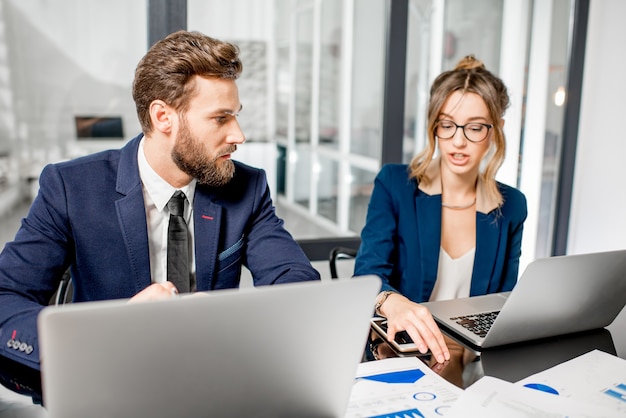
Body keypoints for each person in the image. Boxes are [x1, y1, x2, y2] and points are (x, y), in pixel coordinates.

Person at [0, 30, 320, 373]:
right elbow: (6, 298)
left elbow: (294, 279)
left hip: (213, 377)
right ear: (163, 117)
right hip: (109, 378)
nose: (238, 135)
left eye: (236, 115)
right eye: (220, 118)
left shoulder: (247, 186)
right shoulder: (71, 187)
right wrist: (107, 334)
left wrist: (237, 323)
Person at [355, 55, 527, 365]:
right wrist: (391, 302)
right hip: (403, 353)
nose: (458, 142)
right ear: (434, 125)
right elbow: (368, 272)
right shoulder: (395, 184)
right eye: (447, 125)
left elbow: (505, 301)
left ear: (496, 129)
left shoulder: (512, 205)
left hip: (473, 360)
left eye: (474, 128)